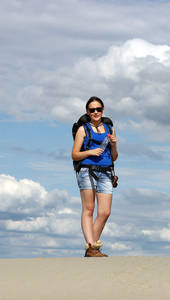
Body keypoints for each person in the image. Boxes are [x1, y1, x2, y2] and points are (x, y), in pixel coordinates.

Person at [72, 96, 118, 257]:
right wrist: (90, 152)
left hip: (106, 171)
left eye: (98, 109)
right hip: (87, 170)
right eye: (92, 110)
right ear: (87, 112)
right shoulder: (83, 129)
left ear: (103, 110)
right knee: (89, 209)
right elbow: (74, 154)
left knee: (105, 212)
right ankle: (91, 247)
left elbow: (114, 157)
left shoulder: (109, 128)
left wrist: (114, 144)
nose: (96, 112)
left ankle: (91, 247)